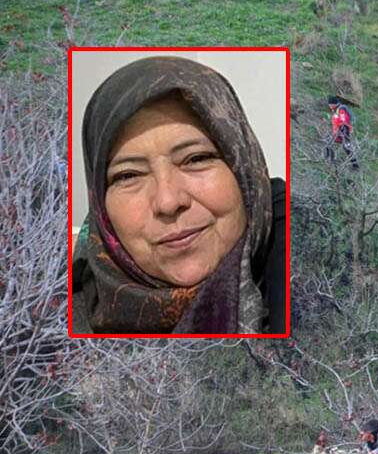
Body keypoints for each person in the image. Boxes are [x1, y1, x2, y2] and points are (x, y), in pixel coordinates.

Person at [71, 56, 287, 334]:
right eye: (128, 175)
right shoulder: (43, 335)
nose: (168, 201)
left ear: (243, 169)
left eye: (196, 158)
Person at [327, 96, 358, 170]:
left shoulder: (341, 110)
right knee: (329, 145)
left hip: (343, 133)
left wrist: (344, 135)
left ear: (333, 104)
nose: (329, 106)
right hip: (338, 133)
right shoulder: (336, 110)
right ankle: (331, 162)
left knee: (347, 148)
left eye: (330, 104)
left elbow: (344, 122)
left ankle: (355, 166)